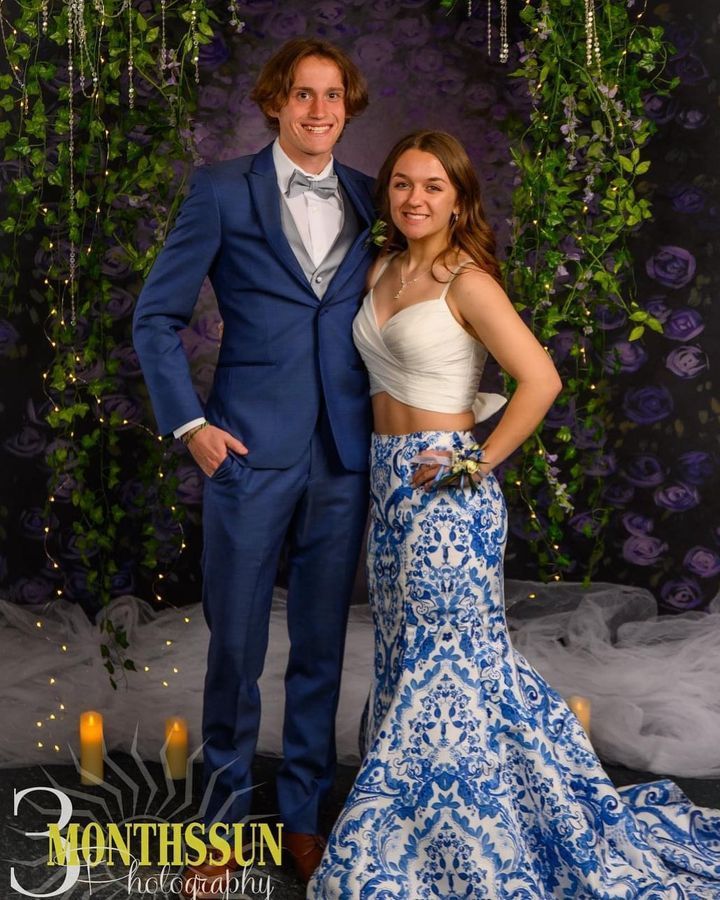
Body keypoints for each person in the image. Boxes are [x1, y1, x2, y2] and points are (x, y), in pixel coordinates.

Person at [308, 131, 720, 898]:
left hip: (450, 498)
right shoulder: (381, 268)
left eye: (433, 186)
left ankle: (452, 833)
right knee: (408, 658)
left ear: (459, 199)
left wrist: (474, 459)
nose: (415, 199)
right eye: (401, 184)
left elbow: (540, 380)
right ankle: (439, 817)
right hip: (391, 491)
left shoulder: (469, 282)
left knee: (451, 667)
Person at [132, 38, 375, 891]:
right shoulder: (220, 189)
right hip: (244, 450)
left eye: (333, 95)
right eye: (303, 95)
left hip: (345, 458)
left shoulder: (373, 198)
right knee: (234, 645)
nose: (319, 110)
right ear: (275, 103)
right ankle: (221, 824)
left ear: (348, 104)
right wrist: (190, 425)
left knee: (320, 648)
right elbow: (155, 317)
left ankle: (306, 816)